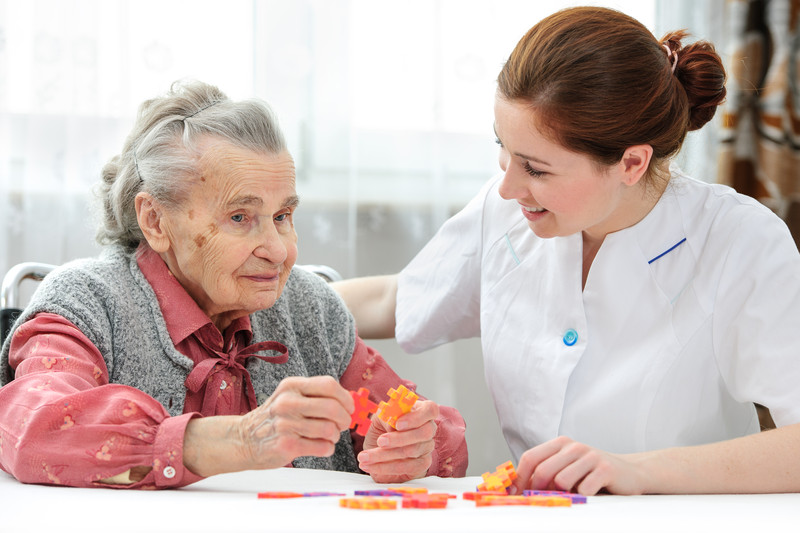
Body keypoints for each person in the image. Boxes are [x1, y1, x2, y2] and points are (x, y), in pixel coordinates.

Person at [332, 6, 800, 495]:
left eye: (535, 169)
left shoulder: (739, 240)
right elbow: (397, 299)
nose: (508, 187)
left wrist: (640, 472)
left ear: (632, 163)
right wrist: (269, 293)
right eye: (503, 149)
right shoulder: (509, 210)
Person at [0, 80, 467, 489]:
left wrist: (414, 445)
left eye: (283, 216)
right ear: (155, 220)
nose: (278, 249)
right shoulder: (86, 302)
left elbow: (433, 437)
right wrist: (242, 439)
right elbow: (32, 424)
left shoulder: (313, 310)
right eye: (240, 217)